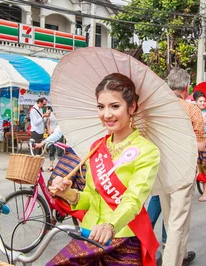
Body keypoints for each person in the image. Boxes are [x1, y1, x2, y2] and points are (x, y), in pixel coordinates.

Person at [48, 73, 160, 265]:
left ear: (131, 107)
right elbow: (92, 198)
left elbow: (133, 200)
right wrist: (68, 193)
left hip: (122, 239)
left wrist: (110, 226)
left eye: (114, 106)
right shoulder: (97, 147)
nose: (106, 114)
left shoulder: (147, 151)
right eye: (101, 107)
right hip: (89, 235)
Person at [148, 68, 206, 266]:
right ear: (187, 88)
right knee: (178, 222)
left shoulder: (156, 108)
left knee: (168, 217)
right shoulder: (192, 110)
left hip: (161, 168)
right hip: (183, 168)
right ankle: (171, 262)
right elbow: (200, 145)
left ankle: (179, 256)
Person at [46, 107, 59, 171]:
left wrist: (54, 131)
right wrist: (49, 130)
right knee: (51, 150)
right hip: (51, 134)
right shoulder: (50, 114)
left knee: (60, 150)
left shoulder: (60, 114)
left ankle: (60, 166)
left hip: (58, 134)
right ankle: (51, 165)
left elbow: (60, 124)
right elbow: (48, 123)